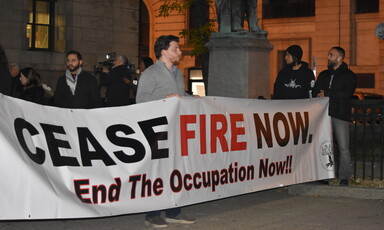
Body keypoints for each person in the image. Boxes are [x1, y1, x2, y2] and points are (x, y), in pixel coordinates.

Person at [136, 35, 196, 228]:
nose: (180, 52)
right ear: (164, 51)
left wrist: (194, 99)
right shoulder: (150, 73)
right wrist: (165, 97)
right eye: (175, 48)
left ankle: (173, 211)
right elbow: (140, 100)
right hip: (156, 131)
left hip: (175, 130)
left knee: (174, 170)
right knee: (157, 172)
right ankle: (152, 214)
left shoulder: (178, 73)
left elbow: (180, 95)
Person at [312, 46, 357, 186]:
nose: (328, 57)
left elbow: (346, 94)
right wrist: (321, 93)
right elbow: (315, 91)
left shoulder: (349, 75)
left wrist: (327, 93)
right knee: (325, 146)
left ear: (339, 58)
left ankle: (344, 177)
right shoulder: (324, 74)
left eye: (331, 55)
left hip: (340, 115)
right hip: (323, 115)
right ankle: (325, 176)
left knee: (343, 147)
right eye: (328, 54)